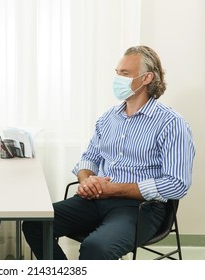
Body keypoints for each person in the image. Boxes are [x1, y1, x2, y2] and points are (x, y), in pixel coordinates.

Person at [22, 45, 195, 260]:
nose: (118, 79)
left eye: (125, 73)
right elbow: (88, 160)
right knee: (35, 223)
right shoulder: (108, 118)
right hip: (95, 200)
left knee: (96, 248)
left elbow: (177, 184)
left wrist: (114, 189)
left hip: (140, 208)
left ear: (147, 78)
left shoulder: (171, 123)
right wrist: (87, 181)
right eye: (117, 73)